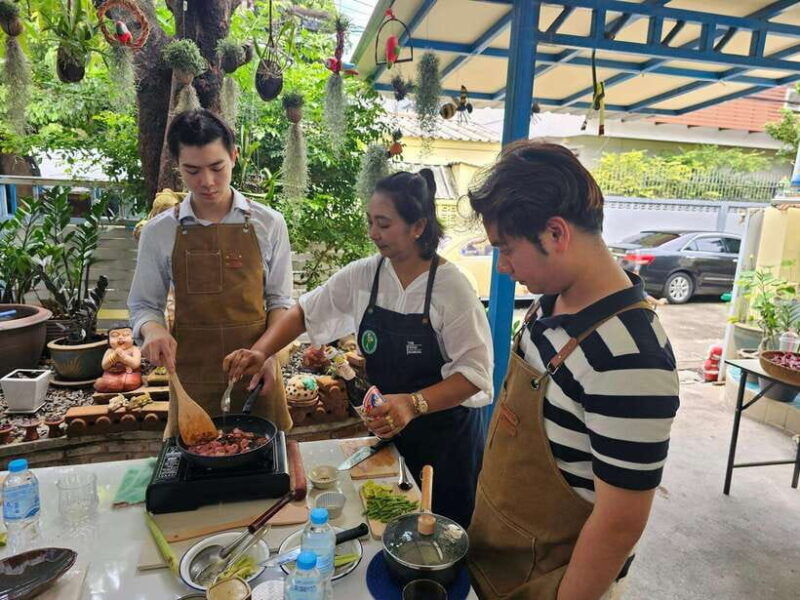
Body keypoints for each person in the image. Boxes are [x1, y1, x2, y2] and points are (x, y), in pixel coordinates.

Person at [466, 142, 680, 600]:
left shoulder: (631, 358)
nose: (502, 267)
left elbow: (620, 523)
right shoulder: (551, 302)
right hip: (501, 561)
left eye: (506, 249)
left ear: (556, 233)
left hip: (553, 585)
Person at [225, 170, 493, 527]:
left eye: (383, 223)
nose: (372, 233)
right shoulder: (365, 275)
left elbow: (474, 375)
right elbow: (305, 312)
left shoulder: (452, 289)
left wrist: (413, 404)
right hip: (390, 431)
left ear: (418, 227)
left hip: (446, 442)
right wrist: (261, 352)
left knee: (440, 530)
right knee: (392, 522)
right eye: (370, 221)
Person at [128, 109, 292, 431]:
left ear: (234, 156)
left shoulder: (268, 223)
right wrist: (153, 330)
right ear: (177, 166)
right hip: (192, 380)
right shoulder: (159, 231)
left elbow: (279, 301)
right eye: (192, 171)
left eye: (217, 167)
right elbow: (144, 305)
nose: (207, 182)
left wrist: (270, 354)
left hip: (258, 375)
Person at [94, 327, 142, 393]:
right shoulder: (110, 351)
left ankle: (113, 385)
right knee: (101, 382)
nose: (120, 338)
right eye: (114, 336)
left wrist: (124, 357)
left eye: (126, 334)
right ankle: (113, 384)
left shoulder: (134, 349)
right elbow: (104, 366)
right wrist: (114, 357)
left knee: (129, 382)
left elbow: (135, 364)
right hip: (111, 374)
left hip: (129, 374)